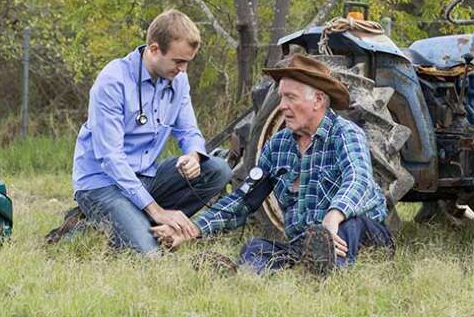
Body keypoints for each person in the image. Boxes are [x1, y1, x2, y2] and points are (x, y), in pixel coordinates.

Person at [153, 53, 393, 275]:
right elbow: (243, 200)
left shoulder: (346, 133)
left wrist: (333, 217)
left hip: (361, 230)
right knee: (256, 248)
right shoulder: (277, 145)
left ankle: (327, 268)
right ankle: (243, 273)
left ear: (318, 100)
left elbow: (358, 179)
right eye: (281, 97)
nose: (282, 106)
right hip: (306, 241)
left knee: (349, 226)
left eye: (290, 97)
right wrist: (191, 229)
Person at [62, 9, 232, 255]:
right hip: (102, 184)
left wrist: (193, 156)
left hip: (145, 177)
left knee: (217, 169)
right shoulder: (113, 82)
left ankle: (136, 221)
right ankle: (89, 225)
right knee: (149, 253)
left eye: (187, 62)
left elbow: (188, 130)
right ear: (154, 50)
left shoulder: (178, 79)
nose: (183, 69)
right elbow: (111, 159)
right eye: (178, 61)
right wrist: (157, 211)